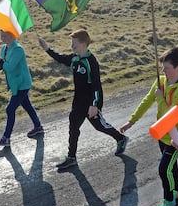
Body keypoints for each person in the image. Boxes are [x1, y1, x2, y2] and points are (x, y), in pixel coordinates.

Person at [38, 30, 128, 171]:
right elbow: (61, 58)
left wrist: (94, 104)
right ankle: (71, 157)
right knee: (73, 128)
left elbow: (96, 85)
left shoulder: (91, 62)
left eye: (74, 43)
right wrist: (47, 48)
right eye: (71, 43)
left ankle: (120, 138)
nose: (72, 46)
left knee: (99, 126)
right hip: (78, 102)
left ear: (84, 44)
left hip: (90, 103)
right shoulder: (75, 58)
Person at [120, 47, 178, 206]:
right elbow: (147, 101)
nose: (164, 71)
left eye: (167, 68)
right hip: (162, 134)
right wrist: (132, 120)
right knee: (170, 167)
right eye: (163, 67)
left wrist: (160, 97)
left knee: (163, 169)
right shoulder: (161, 81)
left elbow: (172, 115)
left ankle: (168, 200)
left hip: (176, 138)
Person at [0, 30, 43, 147]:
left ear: (13, 36)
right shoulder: (4, 48)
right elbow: (1, 67)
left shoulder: (18, 49)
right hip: (15, 84)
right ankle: (38, 126)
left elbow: (10, 67)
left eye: (5, 35)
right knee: (27, 106)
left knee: (10, 109)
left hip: (22, 84)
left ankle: (6, 138)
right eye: (1, 35)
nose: (3, 37)